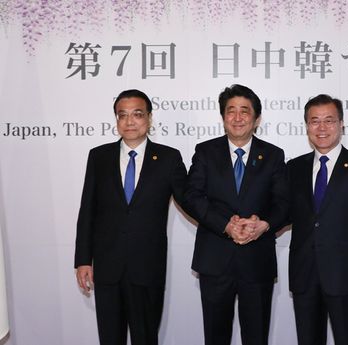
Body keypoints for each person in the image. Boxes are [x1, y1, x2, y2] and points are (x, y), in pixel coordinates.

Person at [74, 89, 187, 345]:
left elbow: (190, 201)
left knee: (146, 338)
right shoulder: (99, 157)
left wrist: (226, 222)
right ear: (116, 120)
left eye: (137, 114)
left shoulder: (168, 158)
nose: (129, 121)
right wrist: (83, 260)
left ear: (149, 118)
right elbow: (87, 210)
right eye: (122, 115)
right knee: (110, 339)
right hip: (107, 268)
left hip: (147, 268)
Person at [183, 84, 288, 345]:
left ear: (256, 118)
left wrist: (264, 224)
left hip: (257, 261)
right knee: (216, 337)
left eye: (245, 111)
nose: (238, 117)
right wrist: (225, 226)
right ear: (223, 117)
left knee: (256, 337)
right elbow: (192, 197)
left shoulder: (273, 155)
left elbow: (285, 204)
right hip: (215, 260)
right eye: (231, 111)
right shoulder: (206, 151)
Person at [287, 94, 348, 345]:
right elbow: (283, 213)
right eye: (314, 121)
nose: (321, 128)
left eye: (329, 120)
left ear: (341, 124)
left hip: (347, 278)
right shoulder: (293, 168)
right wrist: (258, 222)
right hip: (305, 276)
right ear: (306, 125)